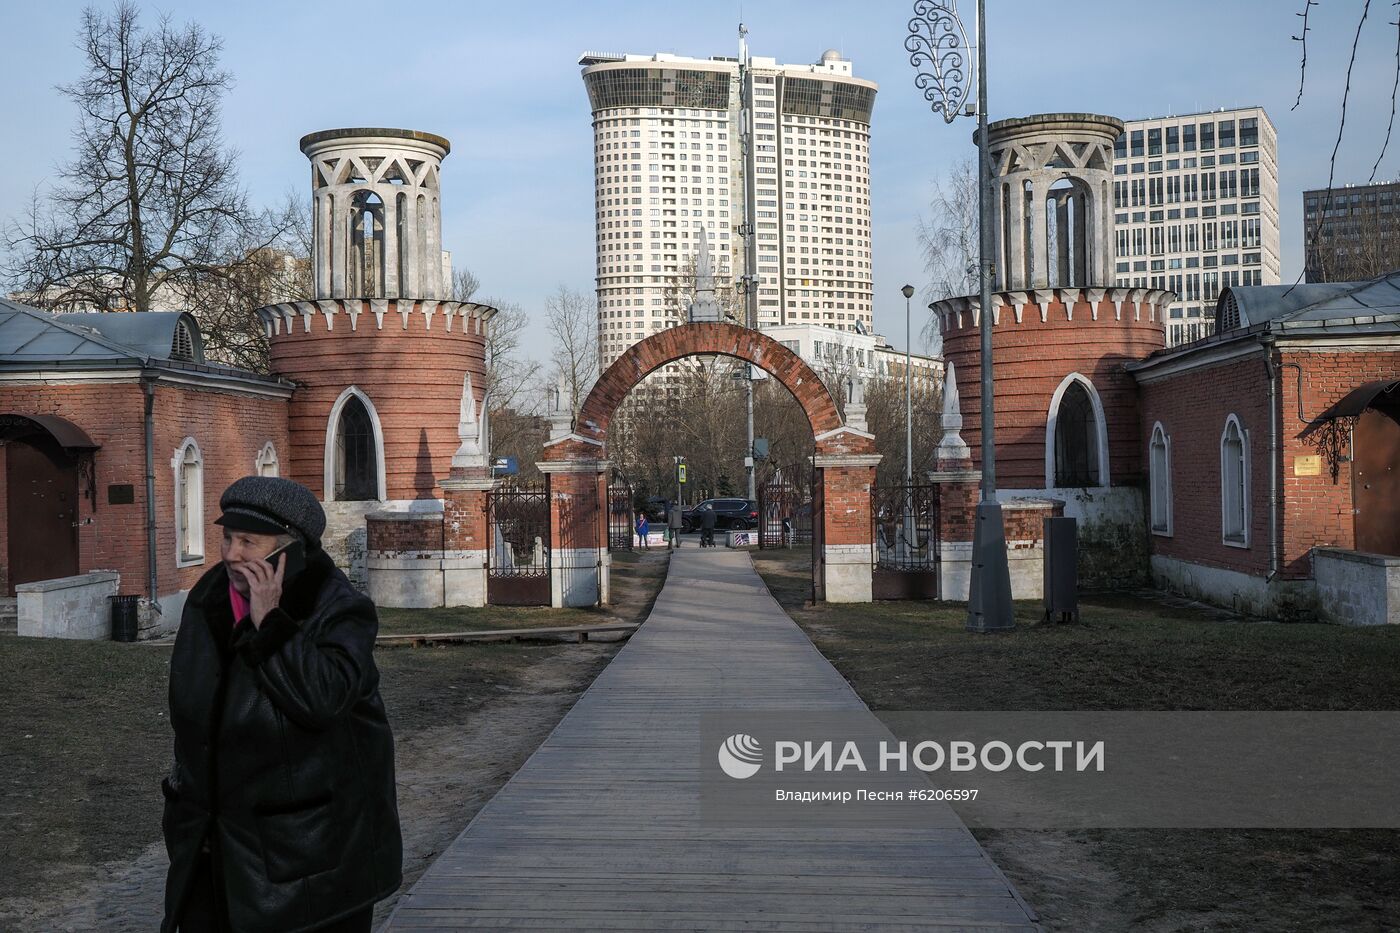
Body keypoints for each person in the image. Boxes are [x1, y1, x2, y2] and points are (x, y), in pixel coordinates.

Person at [161, 476, 402, 933]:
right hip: (212, 846)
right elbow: (190, 714)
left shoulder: (338, 608)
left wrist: (270, 623)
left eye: (249, 542)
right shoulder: (208, 598)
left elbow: (322, 701)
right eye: (227, 537)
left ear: (288, 549)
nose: (232, 554)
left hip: (308, 860)